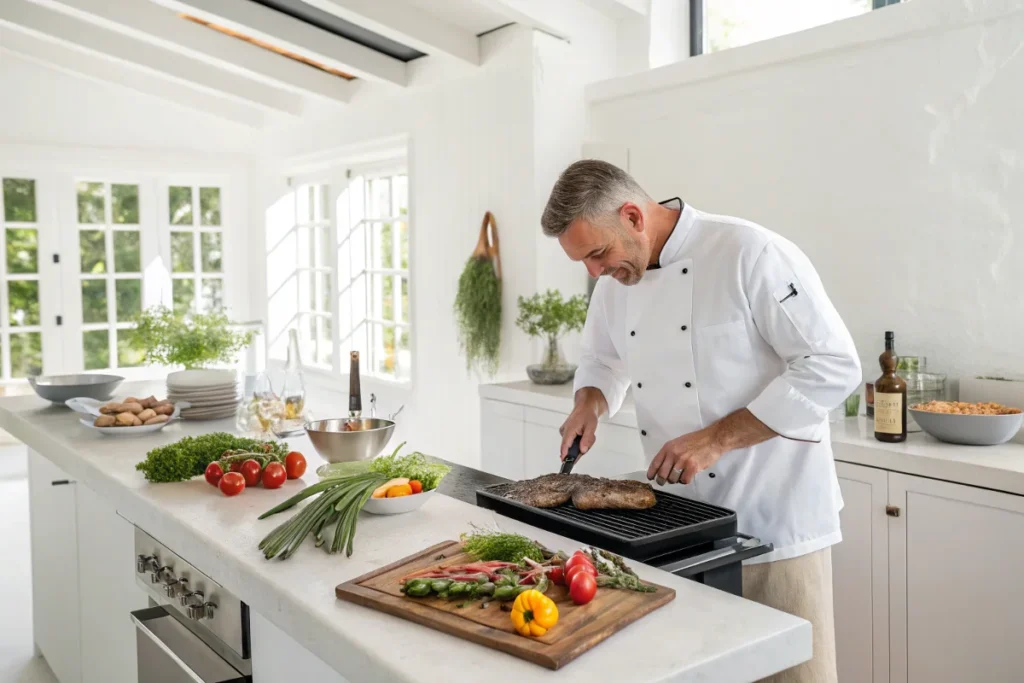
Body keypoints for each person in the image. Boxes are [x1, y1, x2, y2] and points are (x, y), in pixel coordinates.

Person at [542, 159, 861, 683]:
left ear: (632, 216)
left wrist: (716, 438)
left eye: (598, 253)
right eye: (584, 262)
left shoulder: (749, 252)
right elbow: (603, 362)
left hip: (773, 523)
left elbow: (833, 365)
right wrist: (589, 402)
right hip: (679, 526)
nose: (595, 273)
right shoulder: (613, 285)